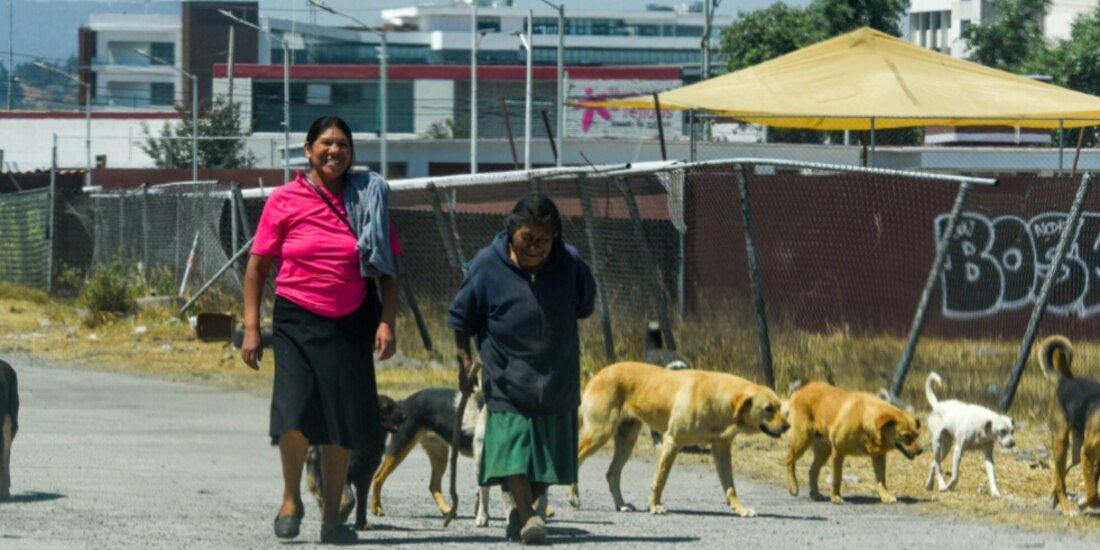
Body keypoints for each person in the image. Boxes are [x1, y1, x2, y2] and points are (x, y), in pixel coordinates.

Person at [241, 116, 400, 545]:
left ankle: (333, 518)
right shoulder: (284, 200)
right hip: (295, 320)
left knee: (341, 423)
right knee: (292, 413)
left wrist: (386, 321)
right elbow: (257, 270)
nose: (335, 151)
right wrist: (252, 328)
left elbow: (388, 271)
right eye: (326, 143)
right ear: (308, 150)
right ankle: (291, 498)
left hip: (351, 323)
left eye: (343, 145)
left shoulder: (367, 197)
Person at [448, 193, 596, 545]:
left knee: (550, 459)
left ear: (556, 238)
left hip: (556, 376)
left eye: (544, 240)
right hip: (506, 374)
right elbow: (460, 316)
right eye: (527, 238)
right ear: (511, 232)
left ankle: (520, 509)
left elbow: (585, 305)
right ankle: (529, 517)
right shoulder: (487, 264)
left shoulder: (570, 263)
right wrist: (464, 359)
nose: (535, 247)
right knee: (513, 449)